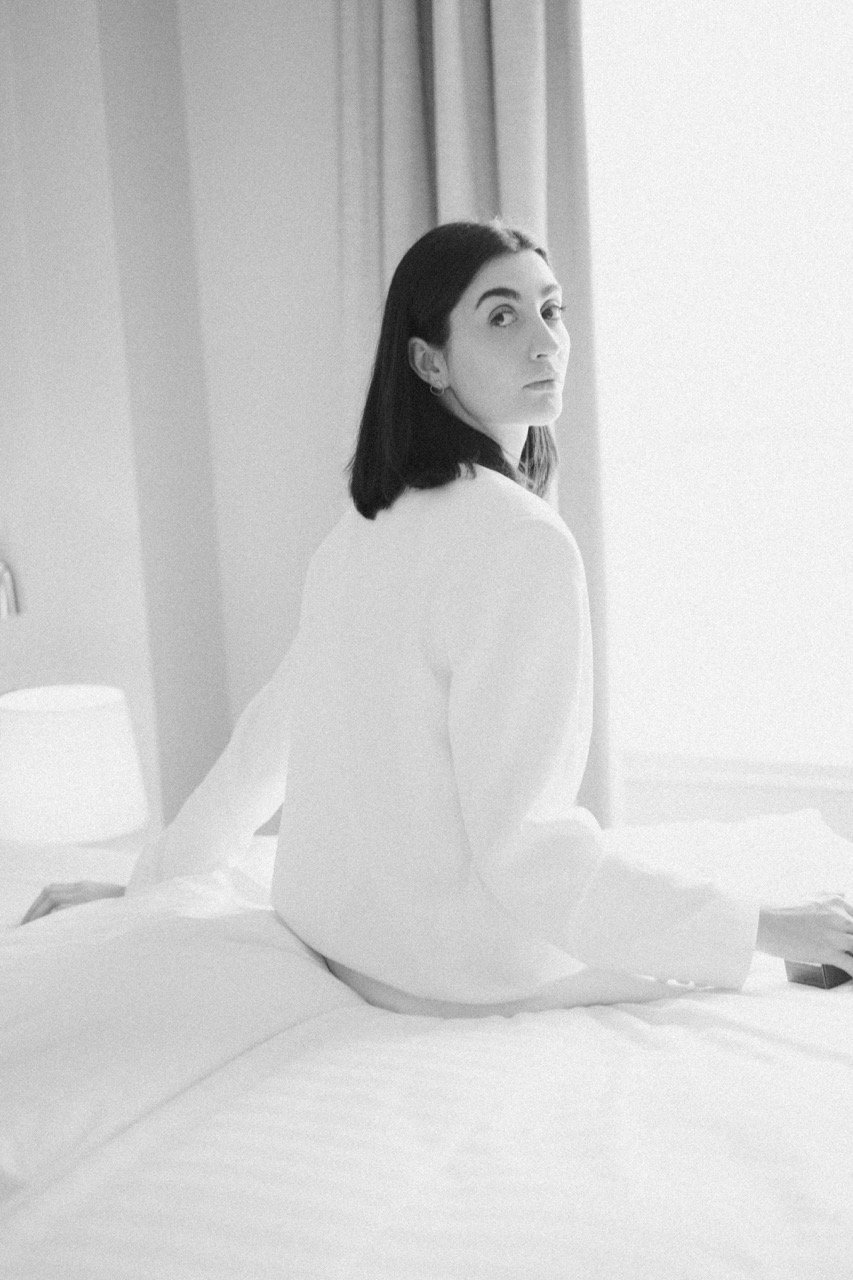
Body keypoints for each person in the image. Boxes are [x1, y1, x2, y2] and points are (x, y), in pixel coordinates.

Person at [21, 220, 853, 1015]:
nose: (545, 341)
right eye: (501, 316)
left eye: (551, 309)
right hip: (458, 973)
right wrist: (764, 929)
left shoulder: (363, 528)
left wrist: (147, 884)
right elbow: (526, 848)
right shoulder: (521, 541)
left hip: (347, 944)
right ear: (428, 360)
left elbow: (266, 740)